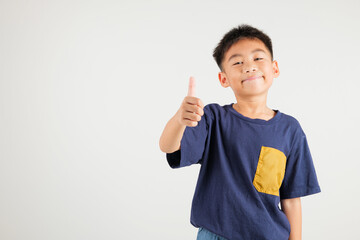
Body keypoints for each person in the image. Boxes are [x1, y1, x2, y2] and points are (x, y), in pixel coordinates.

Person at [159, 24, 321, 240]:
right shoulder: (212, 118)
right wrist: (180, 119)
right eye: (237, 62)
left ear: (274, 68)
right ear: (223, 79)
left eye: (258, 58)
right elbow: (168, 146)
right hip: (216, 235)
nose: (249, 67)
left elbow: (291, 198)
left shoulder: (290, 130)